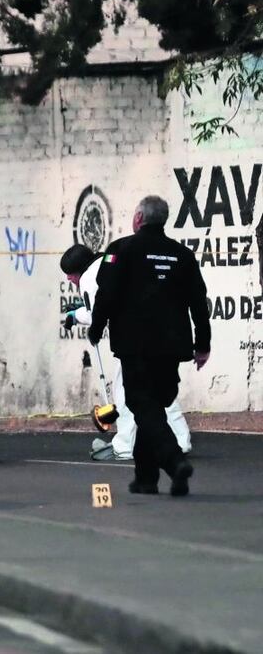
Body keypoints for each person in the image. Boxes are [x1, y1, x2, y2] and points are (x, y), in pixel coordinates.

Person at [88, 196, 210, 497]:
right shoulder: (182, 255)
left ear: (139, 218)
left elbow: (106, 292)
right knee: (153, 406)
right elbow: (199, 300)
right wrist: (203, 344)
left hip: (135, 346)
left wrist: (96, 325)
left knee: (143, 405)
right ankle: (146, 479)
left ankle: (173, 460)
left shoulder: (120, 250)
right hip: (172, 347)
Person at [59, 244, 192, 460]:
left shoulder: (89, 278)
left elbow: (98, 314)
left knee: (127, 392)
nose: (68, 279)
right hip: (160, 332)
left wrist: (77, 315)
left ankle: (124, 446)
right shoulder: (113, 265)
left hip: (135, 341)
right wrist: (80, 312)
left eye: (69, 274)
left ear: (78, 270)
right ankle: (179, 440)